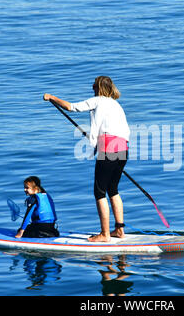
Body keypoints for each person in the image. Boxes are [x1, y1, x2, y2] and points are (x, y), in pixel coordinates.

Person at [43, 76, 130, 242]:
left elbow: (71, 107)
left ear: (98, 87)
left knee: (99, 191)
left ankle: (104, 234)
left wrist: (52, 97)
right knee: (113, 189)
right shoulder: (117, 105)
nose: (92, 87)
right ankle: (119, 230)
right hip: (124, 147)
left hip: (109, 146)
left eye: (93, 85)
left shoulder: (98, 100)